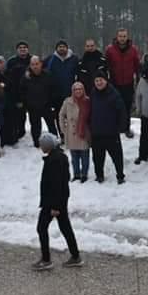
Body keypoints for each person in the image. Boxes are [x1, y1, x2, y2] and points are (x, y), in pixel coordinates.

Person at [33, 132, 82, 271]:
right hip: (60, 200)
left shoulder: (54, 160)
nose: (41, 147)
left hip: (53, 202)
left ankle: (46, 260)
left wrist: (54, 207)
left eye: (42, 145)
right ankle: (75, 256)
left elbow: (56, 184)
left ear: (48, 145)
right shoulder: (60, 157)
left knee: (42, 228)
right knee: (65, 228)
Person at [87, 71, 127, 185]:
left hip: (111, 131)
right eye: (96, 81)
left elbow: (122, 111)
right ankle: (99, 175)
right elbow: (90, 110)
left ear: (106, 81)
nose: (99, 83)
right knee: (97, 157)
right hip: (97, 131)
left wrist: (122, 126)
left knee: (117, 156)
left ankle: (120, 175)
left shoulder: (113, 93)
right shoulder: (93, 93)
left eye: (101, 80)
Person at [105, 28, 141, 138]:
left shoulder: (133, 49)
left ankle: (126, 128)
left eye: (124, 36)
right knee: (114, 106)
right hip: (114, 82)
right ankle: (114, 127)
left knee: (127, 106)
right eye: (120, 36)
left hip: (128, 83)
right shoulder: (110, 49)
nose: (122, 38)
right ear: (117, 37)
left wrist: (138, 79)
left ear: (127, 37)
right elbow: (106, 65)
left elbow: (137, 66)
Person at [21, 56, 58, 148]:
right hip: (33, 107)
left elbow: (53, 89)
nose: (35, 66)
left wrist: (52, 103)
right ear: (30, 65)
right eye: (33, 64)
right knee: (35, 126)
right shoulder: (26, 77)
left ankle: (55, 142)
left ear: (41, 64)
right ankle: (37, 143)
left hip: (46, 105)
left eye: (37, 64)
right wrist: (26, 104)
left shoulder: (48, 75)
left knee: (51, 125)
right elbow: (22, 91)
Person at [59, 82, 90, 182]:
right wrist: (64, 129)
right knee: (74, 156)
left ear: (83, 90)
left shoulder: (87, 101)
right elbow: (61, 115)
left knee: (85, 156)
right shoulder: (67, 101)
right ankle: (76, 174)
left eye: (80, 89)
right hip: (71, 132)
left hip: (84, 131)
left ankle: (84, 174)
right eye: (76, 89)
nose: (78, 91)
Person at [44, 40, 79, 120]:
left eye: (63, 47)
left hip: (70, 93)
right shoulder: (50, 59)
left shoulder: (74, 58)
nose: (62, 48)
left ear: (67, 48)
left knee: (71, 116)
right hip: (56, 94)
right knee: (59, 116)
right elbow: (39, 65)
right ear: (56, 49)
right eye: (60, 47)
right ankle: (60, 128)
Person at [6, 41, 33, 143]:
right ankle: (20, 131)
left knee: (34, 116)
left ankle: (36, 134)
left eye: (24, 47)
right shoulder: (12, 61)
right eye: (20, 48)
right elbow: (8, 76)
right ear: (17, 50)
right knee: (20, 115)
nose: (22, 49)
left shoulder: (33, 60)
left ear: (28, 49)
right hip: (17, 92)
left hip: (32, 92)